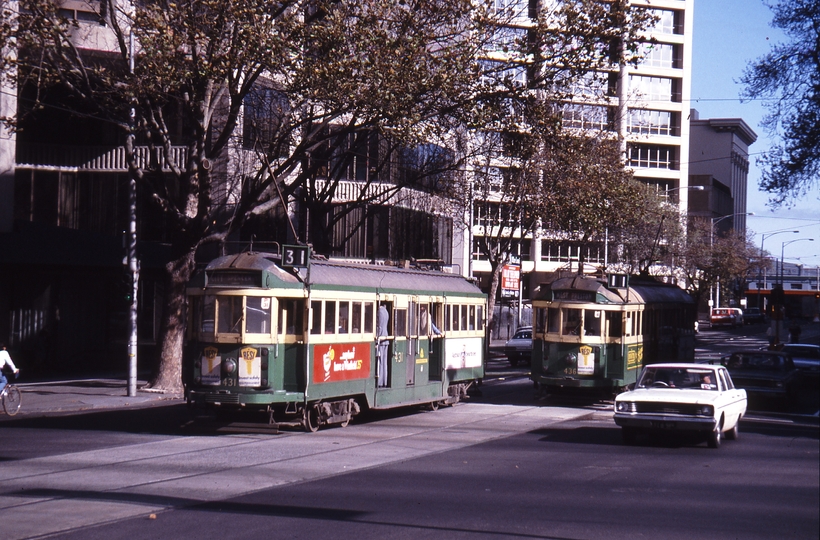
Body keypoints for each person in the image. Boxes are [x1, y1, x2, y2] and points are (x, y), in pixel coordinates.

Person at [376, 304, 390, 387]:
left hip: (381, 339)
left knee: (381, 361)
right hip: (386, 338)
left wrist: (378, 336)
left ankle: (380, 382)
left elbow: (380, 326)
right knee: (384, 362)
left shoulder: (380, 312)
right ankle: (385, 381)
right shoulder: (386, 311)